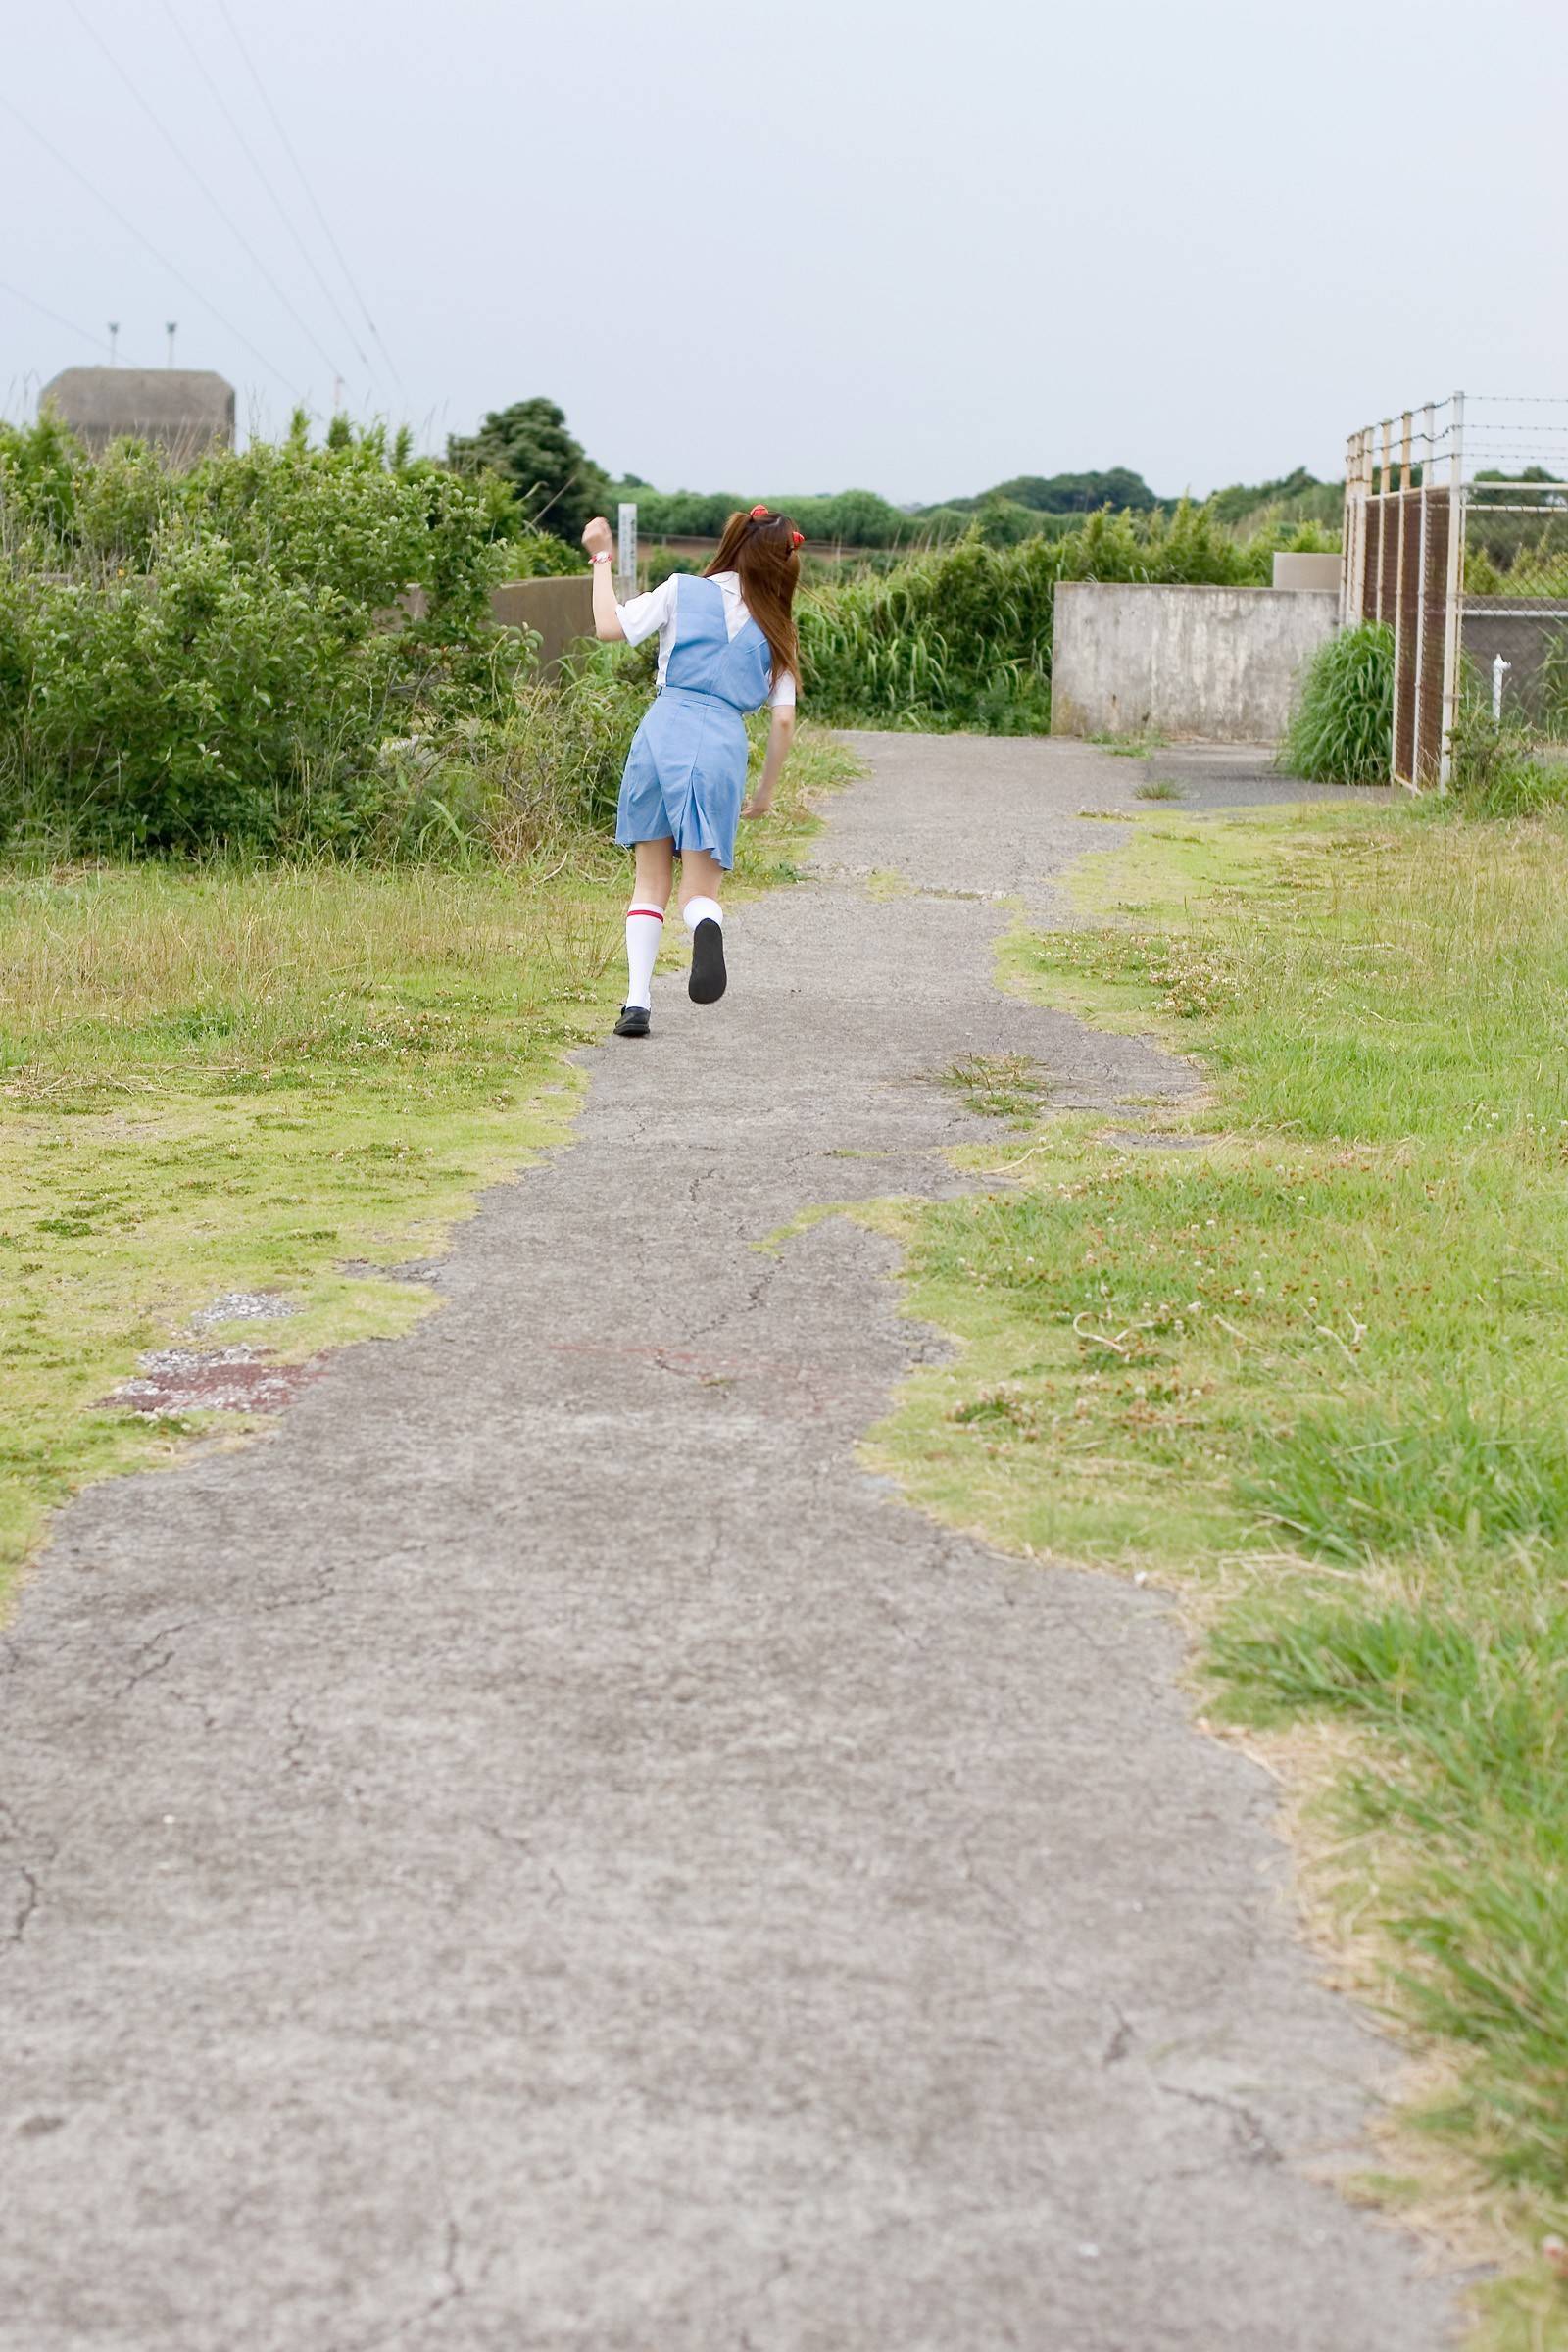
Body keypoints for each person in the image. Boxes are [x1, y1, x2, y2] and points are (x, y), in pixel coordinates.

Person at [581, 505, 803, 1039]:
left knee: (650, 881)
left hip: (663, 732)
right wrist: (766, 793)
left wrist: (601, 558)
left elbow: (609, 627)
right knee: (698, 890)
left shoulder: (682, 588)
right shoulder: (778, 628)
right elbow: (784, 721)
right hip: (722, 743)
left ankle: (636, 1004)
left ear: (733, 541)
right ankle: (706, 923)